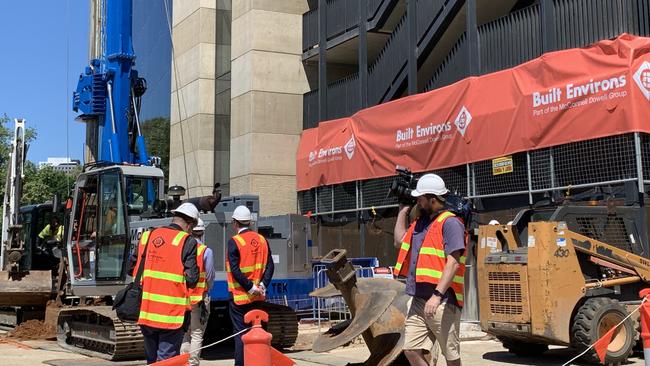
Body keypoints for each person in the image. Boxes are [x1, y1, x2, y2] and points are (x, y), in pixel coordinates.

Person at [393, 174, 466, 366]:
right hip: (418, 299)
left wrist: (436, 295)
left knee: (450, 355)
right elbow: (399, 241)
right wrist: (403, 210)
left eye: (420, 198)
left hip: (441, 300)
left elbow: (453, 263)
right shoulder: (420, 222)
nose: (417, 201)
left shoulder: (451, 223)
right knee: (410, 349)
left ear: (432, 199)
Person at [130, 202, 200, 364]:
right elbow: (192, 279)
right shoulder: (187, 241)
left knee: (152, 360)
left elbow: (131, 267)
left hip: (146, 312)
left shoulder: (148, 236)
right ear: (189, 225)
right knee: (166, 361)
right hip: (171, 315)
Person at [227, 205, 274, 366]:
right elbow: (270, 266)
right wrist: (262, 285)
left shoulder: (235, 242)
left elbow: (235, 270)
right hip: (259, 297)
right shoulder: (262, 240)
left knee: (241, 336)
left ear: (235, 222)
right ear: (250, 222)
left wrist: (249, 287)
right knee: (260, 332)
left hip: (240, 298)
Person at [181, 218, 215, 366]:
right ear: (202, 232)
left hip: (183, 297)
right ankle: (192, 363)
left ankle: (182, 361)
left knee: (185, 332)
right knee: (196, 333)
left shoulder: (182, 248)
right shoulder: (206, 251)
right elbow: (210, 276)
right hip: (200, 297)